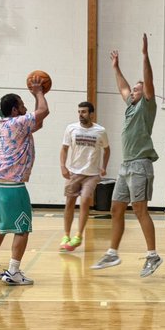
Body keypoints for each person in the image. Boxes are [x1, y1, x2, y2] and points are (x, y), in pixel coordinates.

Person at [91, 34, 162, 277]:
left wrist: (145, 56)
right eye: (133, 89)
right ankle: (112, 252)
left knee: (140, 210)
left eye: (137, 89)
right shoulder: (131, 106)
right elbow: (122, 86)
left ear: (144, 93)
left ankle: (153, 256)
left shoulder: (147, 105)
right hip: (126, 165)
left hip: (141, 165)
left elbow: (149, 82)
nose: (132, 91)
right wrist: (116, 67)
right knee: (116, 208)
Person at [0, 77, 49, 285]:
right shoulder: (18, 122)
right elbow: (44, 111)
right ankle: (13, 272)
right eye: (22, 104)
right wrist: (38, 93)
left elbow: (39, 121)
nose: (26, 107)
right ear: (16, 110)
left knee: (1, 226)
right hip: (12, 184)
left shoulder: (9, 124)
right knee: (22, 228)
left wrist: (38, 96)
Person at [59, 101, 110, 252]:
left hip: (92, 174)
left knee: (86, 199)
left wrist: (104, 167)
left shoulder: (100, 131)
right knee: (69, 203)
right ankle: (66, 235)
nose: (81, 114)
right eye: (79, 112)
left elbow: (107, 150)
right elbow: (64, 149)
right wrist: (63, 166)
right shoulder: (71, 128)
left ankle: (79, 235)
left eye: (84, 112)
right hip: (74, 172)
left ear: (91, 114)